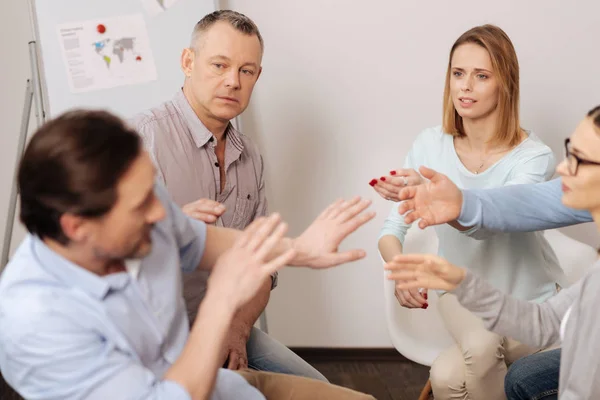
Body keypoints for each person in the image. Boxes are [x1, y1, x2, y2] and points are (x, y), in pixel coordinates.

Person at [0, 109, 377, 400]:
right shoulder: (35, 321)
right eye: (140, 206)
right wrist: (222, 299)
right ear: (76, 227)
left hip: (221, 385)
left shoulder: (142, 197)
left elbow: (199, 243)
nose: (162, 212)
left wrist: (301, 250)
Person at [129, 10, 326, 381]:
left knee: (318, 387)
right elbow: (103, 258)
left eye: (246, 71)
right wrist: (169, 230)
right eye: (219, 65)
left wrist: (236, 329)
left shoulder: (250, 156)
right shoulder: (142, 140)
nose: (232, 82)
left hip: (226, 325)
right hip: (151, 341)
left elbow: (262, 267)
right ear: (188, 62)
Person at [370, 24, 564, 400]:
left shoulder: (534, 158)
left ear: (504, 83)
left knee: (447, 376)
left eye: (481, 76)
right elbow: (392, 227)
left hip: (532, 307)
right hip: (462, 295)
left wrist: (441, 199)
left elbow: (492, 224)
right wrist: (403, 273)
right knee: (480, 345)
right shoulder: (429, 144)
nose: (465, 86)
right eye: (458, 74)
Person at [385, 105, 600, 399]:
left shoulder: (532, 154)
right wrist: (461, 281)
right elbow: (544, 322)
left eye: (579, 159)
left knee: (517, 377)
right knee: (449, 374)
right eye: (568, 151)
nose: (563, 168)